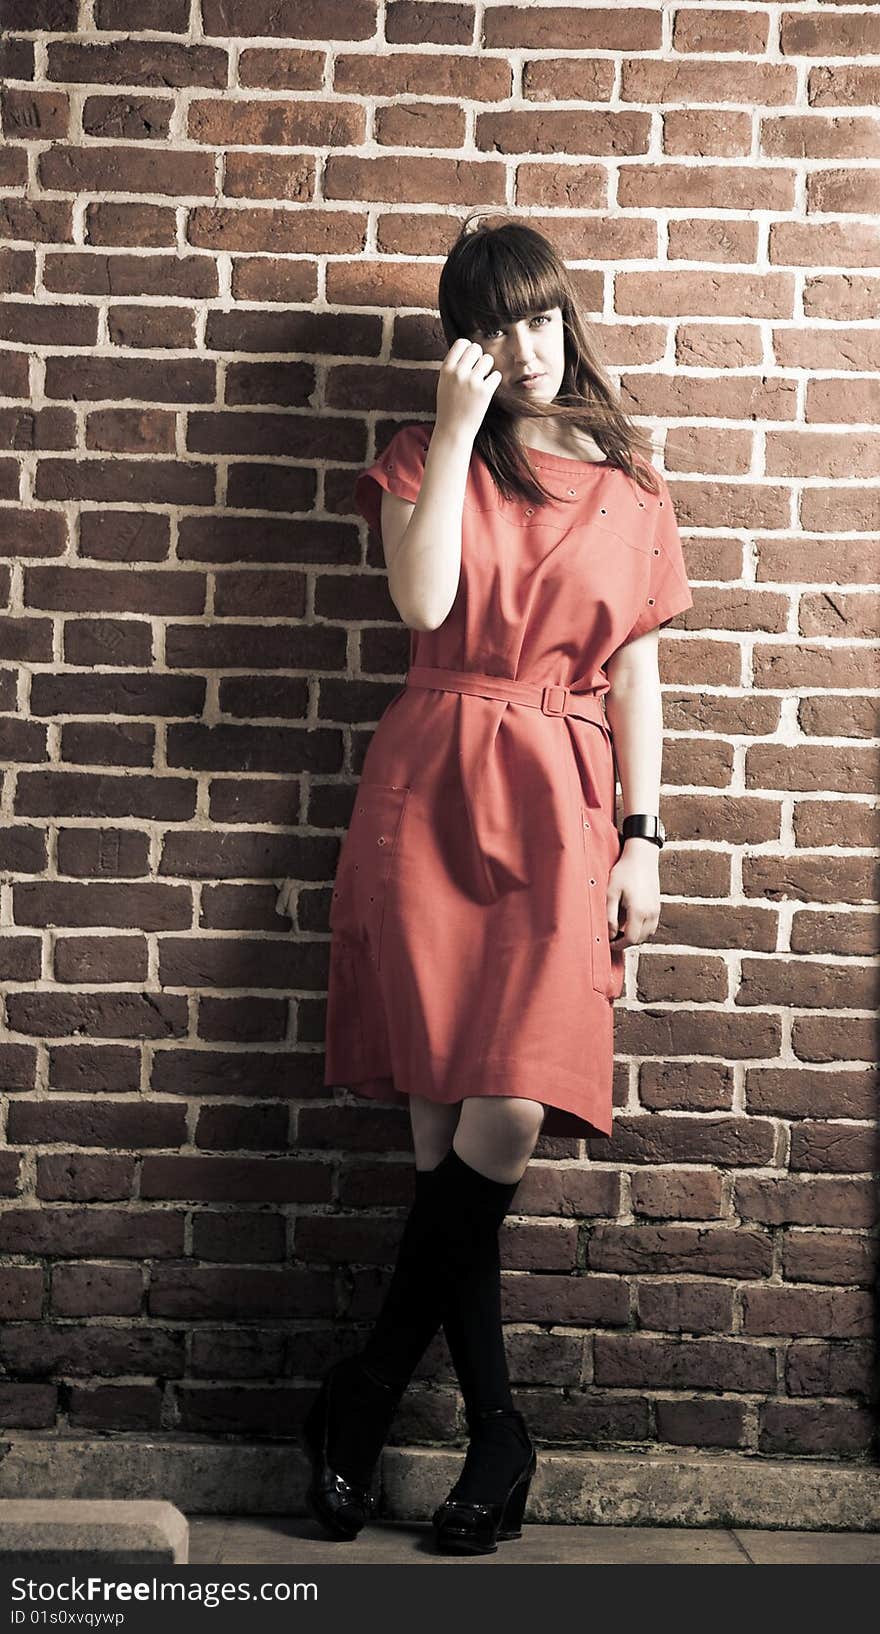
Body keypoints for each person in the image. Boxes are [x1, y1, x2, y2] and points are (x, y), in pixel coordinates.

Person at [280, 214, 694, 1554]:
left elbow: (634, 668)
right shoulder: (421, 455)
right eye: (494, 324)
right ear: (465, 340)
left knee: (504, 1116)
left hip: (560, 804)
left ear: (566, 318)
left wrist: (643, 835)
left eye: (538, 317)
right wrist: (455, 434)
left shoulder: (630, 480)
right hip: (432, 789)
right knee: (437, 1134)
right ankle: (498, 1437)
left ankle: (366, 1397)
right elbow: (423, 598)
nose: (523, 345)